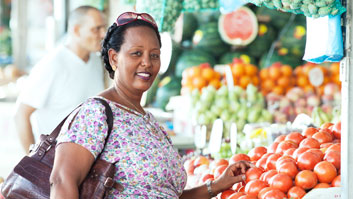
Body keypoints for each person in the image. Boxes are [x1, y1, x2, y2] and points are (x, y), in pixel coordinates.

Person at [49, 12, 252, 199]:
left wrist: (216, 185)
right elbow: (61, 180)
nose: (147, 62)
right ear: (114, 58)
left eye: (154, 55)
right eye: (136, 53)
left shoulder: (148, 120)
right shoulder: (97, 112)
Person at [14, 5, 107, 154]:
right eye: (96, 29)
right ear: (76, 30)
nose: (103, 34)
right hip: (55, 162)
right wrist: (33, 162)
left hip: (88, 159)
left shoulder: (96, 62)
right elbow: (21, 114)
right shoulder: (52, 64)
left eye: (104, 28)